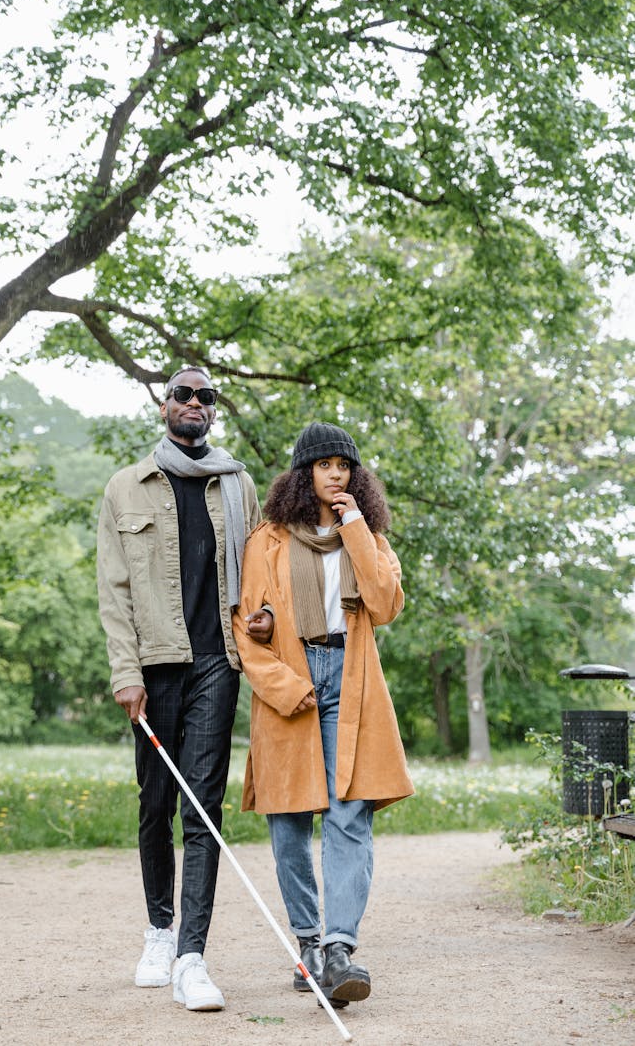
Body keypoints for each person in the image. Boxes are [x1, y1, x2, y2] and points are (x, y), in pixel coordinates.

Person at [97, 366, 272, 1013]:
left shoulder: (238, 484)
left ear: (212, 412)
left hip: (216, 665)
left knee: (203, 808)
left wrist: (266, 618)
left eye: (206, 397)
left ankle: (192, 957)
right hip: (153, 664)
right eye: (183, 394)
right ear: (163, 404)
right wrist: (125, 673)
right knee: (155, 803)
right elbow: (113, 592)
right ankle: (158, 930)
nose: (195, 403)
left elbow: (260, 574)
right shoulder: (125, 488)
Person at [233, 421, 413, 1008]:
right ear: (302, 473)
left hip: (351, 681)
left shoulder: (370, 537)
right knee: (288, 825)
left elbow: (384, 604)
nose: (336, 474)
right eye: (325, 464)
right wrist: (285, 685)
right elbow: (245, 626)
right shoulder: (267, 540)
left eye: (345, 466)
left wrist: (355, 524)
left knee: (348, 815)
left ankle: (339, 949)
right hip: (293, 680)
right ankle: (308, 943)